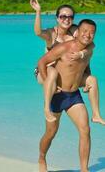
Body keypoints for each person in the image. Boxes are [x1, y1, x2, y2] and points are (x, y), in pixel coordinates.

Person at [30, 0, 105, 125]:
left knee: (92, 80)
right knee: (52, 73)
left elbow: (91, 44)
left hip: (64, 73)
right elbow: (38, 32)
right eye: (63, 16)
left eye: (70, 17)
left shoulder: (74, 31)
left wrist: (82, 53)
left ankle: (96, 115)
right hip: (45, 69)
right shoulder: (52, 34)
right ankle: (46, 110)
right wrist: (38, 11)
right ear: (57, 18)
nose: (66, 19)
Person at [37, 19, 97, 172]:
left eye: (92, 32)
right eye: (84, 31)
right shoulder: (64, 47)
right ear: (77, 33)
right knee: (50, 133)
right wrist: (47, 82)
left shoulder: (89, 48)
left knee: (85, 130)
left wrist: (87, 79)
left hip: (73, 96)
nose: (88, 35)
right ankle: (42, 157)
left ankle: (84, 169)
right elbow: (42, 61)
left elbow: (86, 63)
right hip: (57, 95)